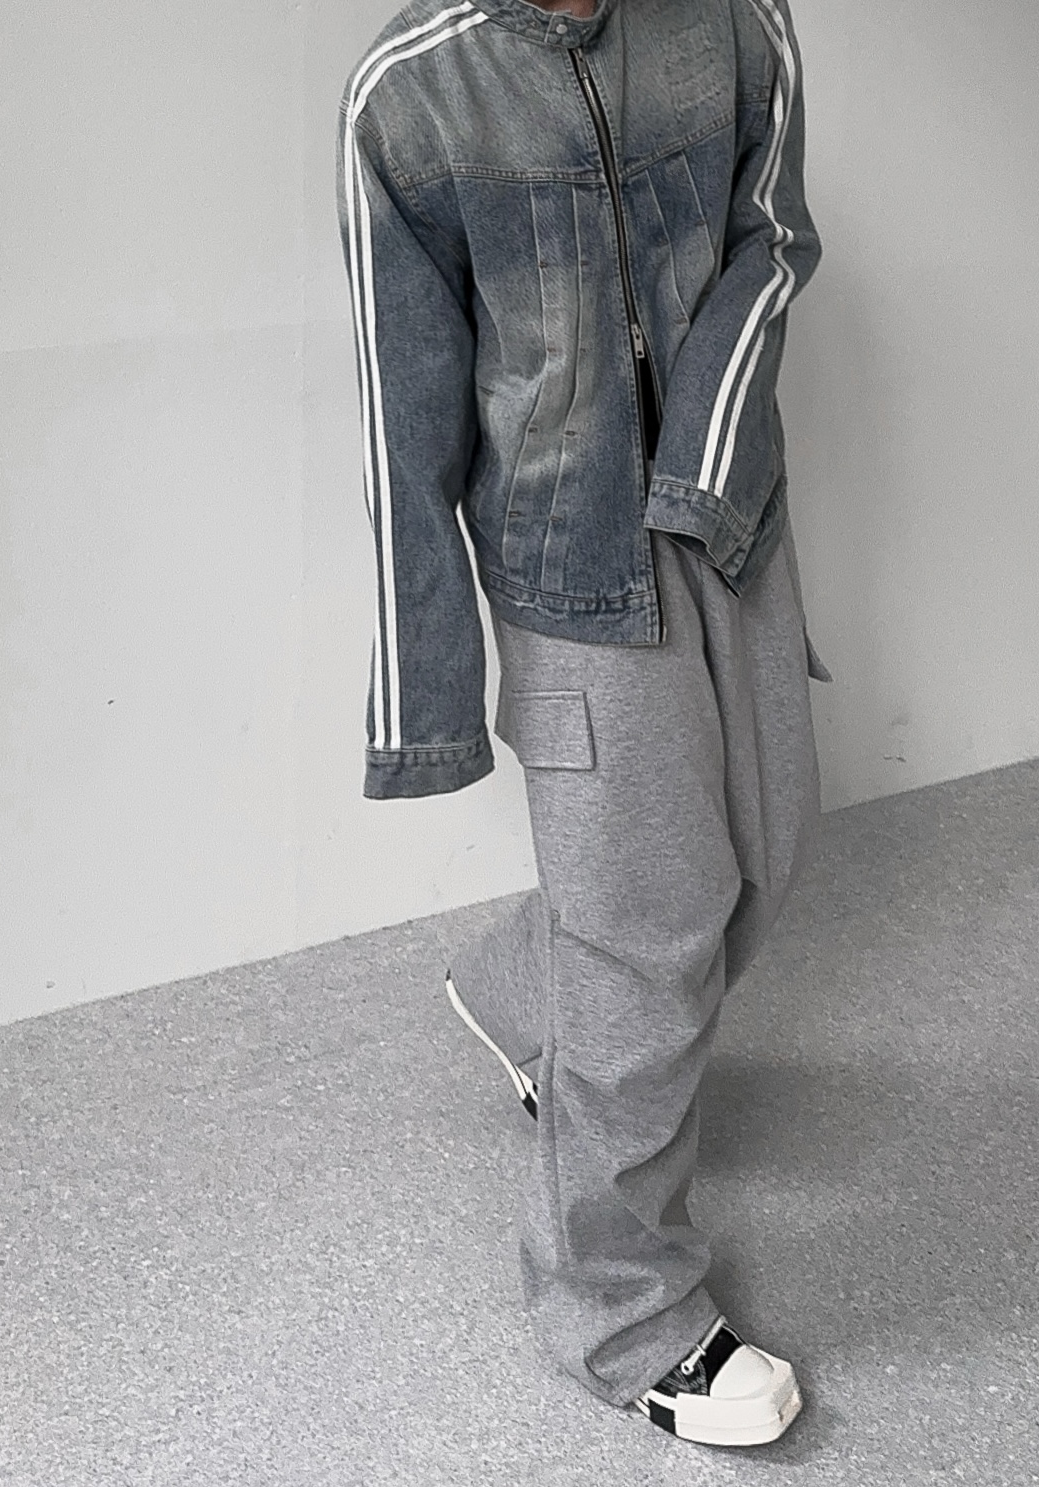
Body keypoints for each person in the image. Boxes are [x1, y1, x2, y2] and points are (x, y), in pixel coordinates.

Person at [336, 0, 832, 1448]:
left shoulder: (736, 23)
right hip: (564, 560)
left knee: (765, 856)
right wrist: (423, 700)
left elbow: (773, 242)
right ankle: (621, 1311)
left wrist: (706, 464)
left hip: (729, 510)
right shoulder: (410, 93)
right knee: (645, 938)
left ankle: (518, 990)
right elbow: (401, 406)